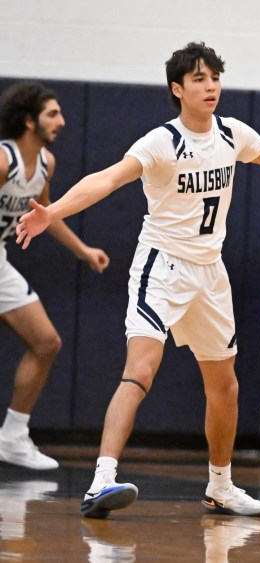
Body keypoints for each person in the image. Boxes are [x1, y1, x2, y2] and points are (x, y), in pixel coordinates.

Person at [15, 42, 260, 519]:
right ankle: (101, 480)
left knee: (226, 387)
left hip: (210, 273)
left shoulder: (232, 134)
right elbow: (107, 179)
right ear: (178, 89)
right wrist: (53, 212)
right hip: (163, 267)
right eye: (199, 79)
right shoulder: (161, 142)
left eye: (215, 76)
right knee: (141, 370)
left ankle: (221, 486)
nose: (210, 85)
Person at [0, 82, 110, 470]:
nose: (62, 121)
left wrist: (83, 251)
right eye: (52, 114)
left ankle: (13, 437)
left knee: (46, 342)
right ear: (29, 121)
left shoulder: (45, 163)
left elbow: (45, 214)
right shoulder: (2, 160)